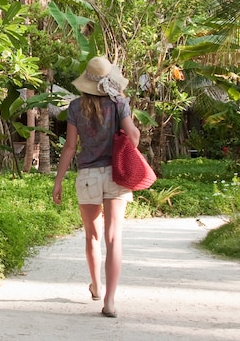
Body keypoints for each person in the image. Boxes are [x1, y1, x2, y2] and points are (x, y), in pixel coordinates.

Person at [52, 56, 140, 319]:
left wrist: (58, 181)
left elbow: (69, 147)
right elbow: (133, 138)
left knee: (92, 236)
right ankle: (110, 301)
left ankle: (96, 286)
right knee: (114, 238)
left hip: (88, 175)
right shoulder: (119, 103)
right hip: (115, 174)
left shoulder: (76, 107)